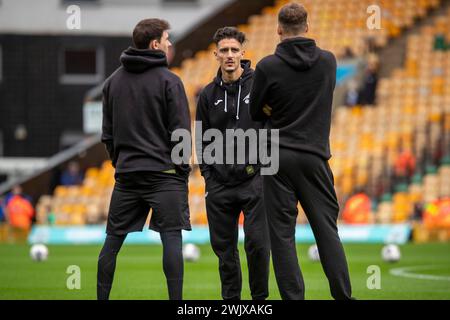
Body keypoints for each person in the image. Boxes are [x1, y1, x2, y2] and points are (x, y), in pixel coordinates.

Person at [249, 3, 353, 300]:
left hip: (277, 156)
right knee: (326, 229)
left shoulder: (267, 66)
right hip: (314, 155)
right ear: (307, 27)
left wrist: (274, 107)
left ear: (279, 29)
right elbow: (320, 98)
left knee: (282, 235)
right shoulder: (328, 62)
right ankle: (343, 296)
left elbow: (256, 111)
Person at [98, 18, 192, 300]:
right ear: (155, 45)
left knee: (112, 243)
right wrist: (182, 170)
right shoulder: (170, 82)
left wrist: (122, 163)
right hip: (165, 174)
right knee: (172, 239)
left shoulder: (112, 82)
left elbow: (108, 136)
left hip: (127, 176)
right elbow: (181, 135)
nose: (170, 43)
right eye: (167, 39)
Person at [196, 27, 270, 300]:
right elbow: (201, 139)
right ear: (216, 54)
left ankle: (259, 300)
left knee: (258, 246)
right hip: (219, 185)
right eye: (224, 50)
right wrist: (208, 176)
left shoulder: (259, 85)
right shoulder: (206, 94)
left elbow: (270, 127)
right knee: (225, 251)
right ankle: (231, 303)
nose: (229, 55)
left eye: (234, 50)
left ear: (243, 53)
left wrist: (263, 170)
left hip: (254, 180)